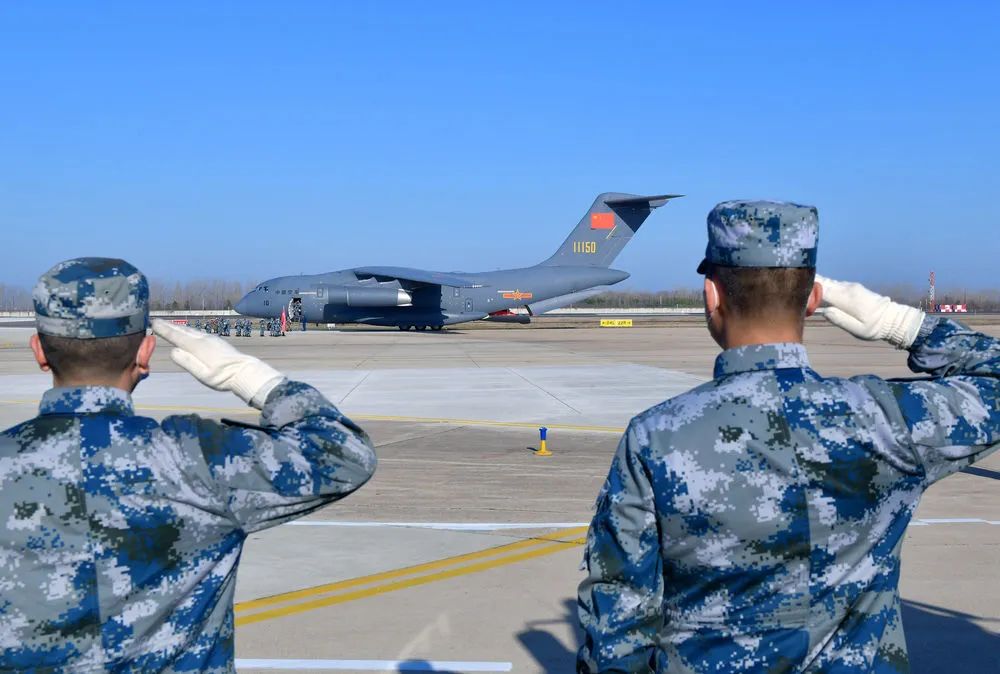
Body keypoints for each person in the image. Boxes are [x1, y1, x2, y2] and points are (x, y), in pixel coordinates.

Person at [577, 201, 1000, 672]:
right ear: (814, 299)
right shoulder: (886, 420)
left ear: (711, 295)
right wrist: (899, 325)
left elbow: (619, 628)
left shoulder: (656, 437)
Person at [0, 257, 377, 671]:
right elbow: (344, 453)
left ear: (39, 351)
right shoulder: (197, 460)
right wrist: (253, 378)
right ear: (145, 352)